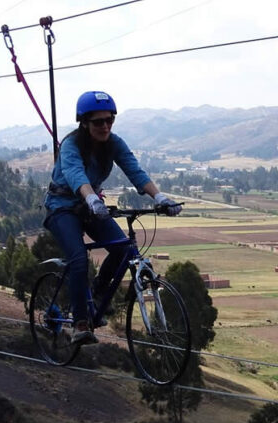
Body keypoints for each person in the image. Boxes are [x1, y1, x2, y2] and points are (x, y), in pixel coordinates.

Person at [43, 90, 181, 345]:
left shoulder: (114, 143)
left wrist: (159, 198)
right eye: (98, 122)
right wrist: (92, 198)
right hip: (62, 207)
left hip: (90, 206)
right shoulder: (71, 145)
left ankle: (97, 292)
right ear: (83, 122)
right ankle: (81, 324)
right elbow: (75, 174)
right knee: (78, 260)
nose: (105, 126)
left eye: (110, 120)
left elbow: (134, 170)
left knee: (125, 250)